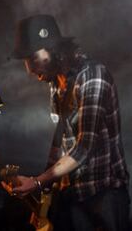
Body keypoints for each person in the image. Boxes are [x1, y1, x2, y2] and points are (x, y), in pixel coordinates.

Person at [10, 14, 130, 230]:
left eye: (32, 58)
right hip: (73, 199)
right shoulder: (57, 84)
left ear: (52, 49)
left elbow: (85, 147)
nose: (29, 69)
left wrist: (37, 181)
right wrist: (43, 204)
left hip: (104, 196)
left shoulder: (93, 75)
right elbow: (61, 149)